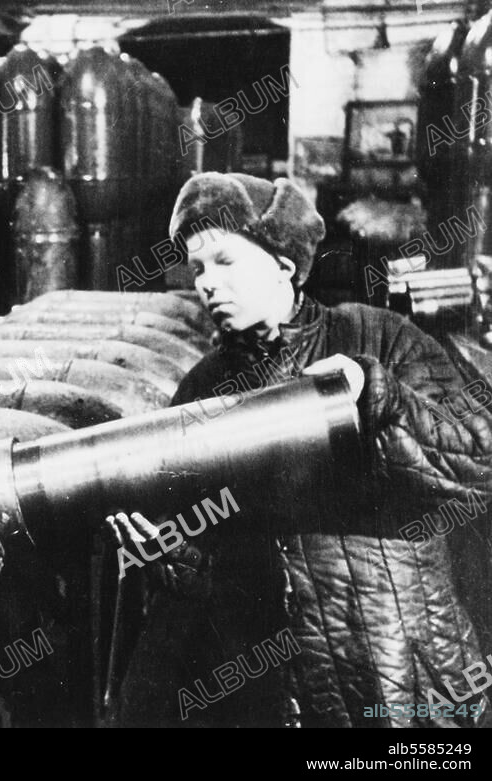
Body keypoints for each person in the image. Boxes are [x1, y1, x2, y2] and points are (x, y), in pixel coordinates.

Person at [114, 172, 492, 727]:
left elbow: (479, 461)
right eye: (197, 269)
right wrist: (173, 556)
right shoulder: (201, 391)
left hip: (397, 675)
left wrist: (377, 393)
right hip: (273, 696)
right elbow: (210, 564)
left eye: (225, 261)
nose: (208, 283)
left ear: (283, 265)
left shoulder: (380, 337)